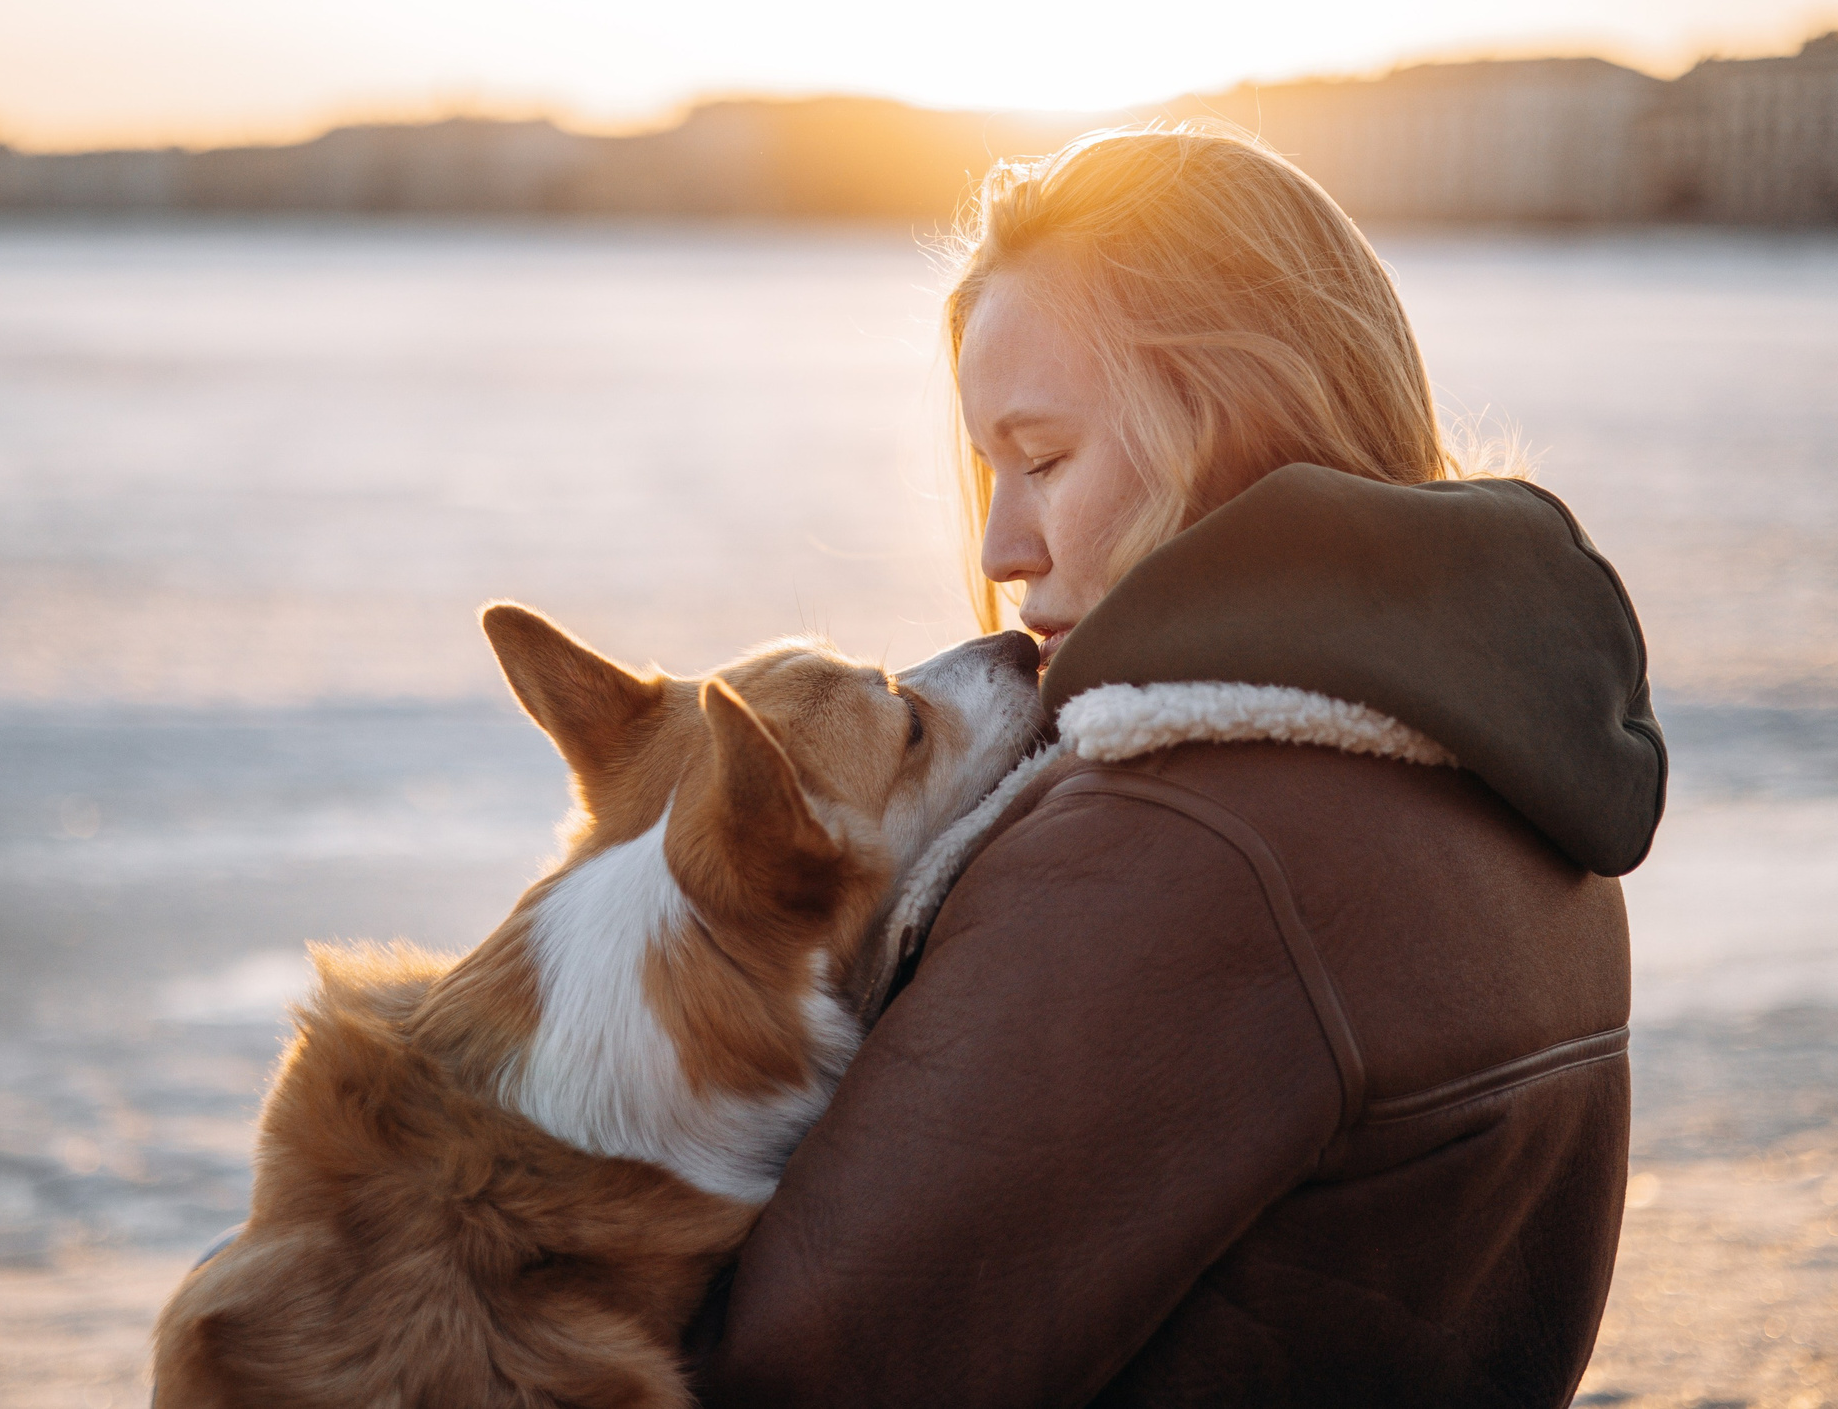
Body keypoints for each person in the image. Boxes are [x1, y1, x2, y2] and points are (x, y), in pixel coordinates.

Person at [686, 127, 1664, 1407]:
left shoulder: (1184, 845)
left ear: (1229, 415)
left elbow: (785, 1379)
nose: (999, 543)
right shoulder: (1503, 762)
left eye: (1042, 458)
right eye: (991, 468)